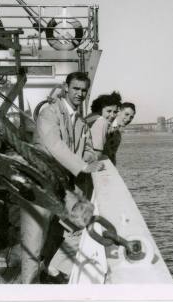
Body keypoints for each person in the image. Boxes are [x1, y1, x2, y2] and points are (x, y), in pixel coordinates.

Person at [32, 71, 104, 283]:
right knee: (44, 231)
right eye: (76, 89)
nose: (80, 94)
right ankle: (44, 272)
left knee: (61, 227)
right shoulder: (50, 113)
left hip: (65, 184)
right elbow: (55, 145)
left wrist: (89, 159)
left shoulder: (80, 121)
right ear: (66, 88)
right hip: (45, 182)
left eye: (84, 90)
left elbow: (89, 147)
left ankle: (50, 269)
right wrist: (82, 166)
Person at [84, 91, 122, 161]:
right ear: (100, 109)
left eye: (115, 112)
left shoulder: (89, 117)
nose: (112, 115)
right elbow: (97, 154)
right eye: (109, 111)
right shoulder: (102, 122)